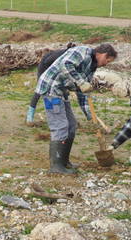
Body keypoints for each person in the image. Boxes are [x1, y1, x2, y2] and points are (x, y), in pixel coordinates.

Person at [34, 43, 117, 174]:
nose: (106, 64)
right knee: (60, 126)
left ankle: (64, 161)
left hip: (61, 91)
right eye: (107, 60)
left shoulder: (91, 67)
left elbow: (83, 93)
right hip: (50, 88)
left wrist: (91, 117)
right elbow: (65, 64)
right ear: (103, 54)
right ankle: (56, 166)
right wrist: (81, 82)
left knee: (71, 125)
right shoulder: (82, 52)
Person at [25, 43, 81, 126]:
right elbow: (47, 62)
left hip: (57, 72)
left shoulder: (72, 59)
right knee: (39, 91)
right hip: (44, 68)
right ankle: (29, 118)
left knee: (64, 93)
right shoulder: (61, 55)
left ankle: (70, 119)